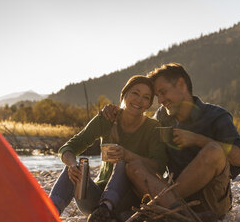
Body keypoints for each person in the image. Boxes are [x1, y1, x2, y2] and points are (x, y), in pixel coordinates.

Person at [101, 63, 240, 220]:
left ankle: (161, 210)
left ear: (181, 84)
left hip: (210, 201)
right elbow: (140, 133)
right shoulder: (162, 117)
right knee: (134, 166)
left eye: (163, 93)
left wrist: (197, 139)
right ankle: (179, 215)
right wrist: (116, 115)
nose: (161, 101)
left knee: (214, 150)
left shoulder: (216, 116)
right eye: (158, 96)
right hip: (168, 196)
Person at [49, 75, 168, 221]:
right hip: (95, 200)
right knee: (73, 169)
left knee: (123, 162)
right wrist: (72, 164)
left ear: (149, 104)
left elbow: (159, 166)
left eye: (146, 97)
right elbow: (69, 147)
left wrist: (126, 154)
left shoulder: (153, 127)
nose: (139, 100)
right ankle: (47, 212)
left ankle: (105, 209)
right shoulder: (107, 118)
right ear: (123, 95)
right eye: (135, 93)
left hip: (130, 201)